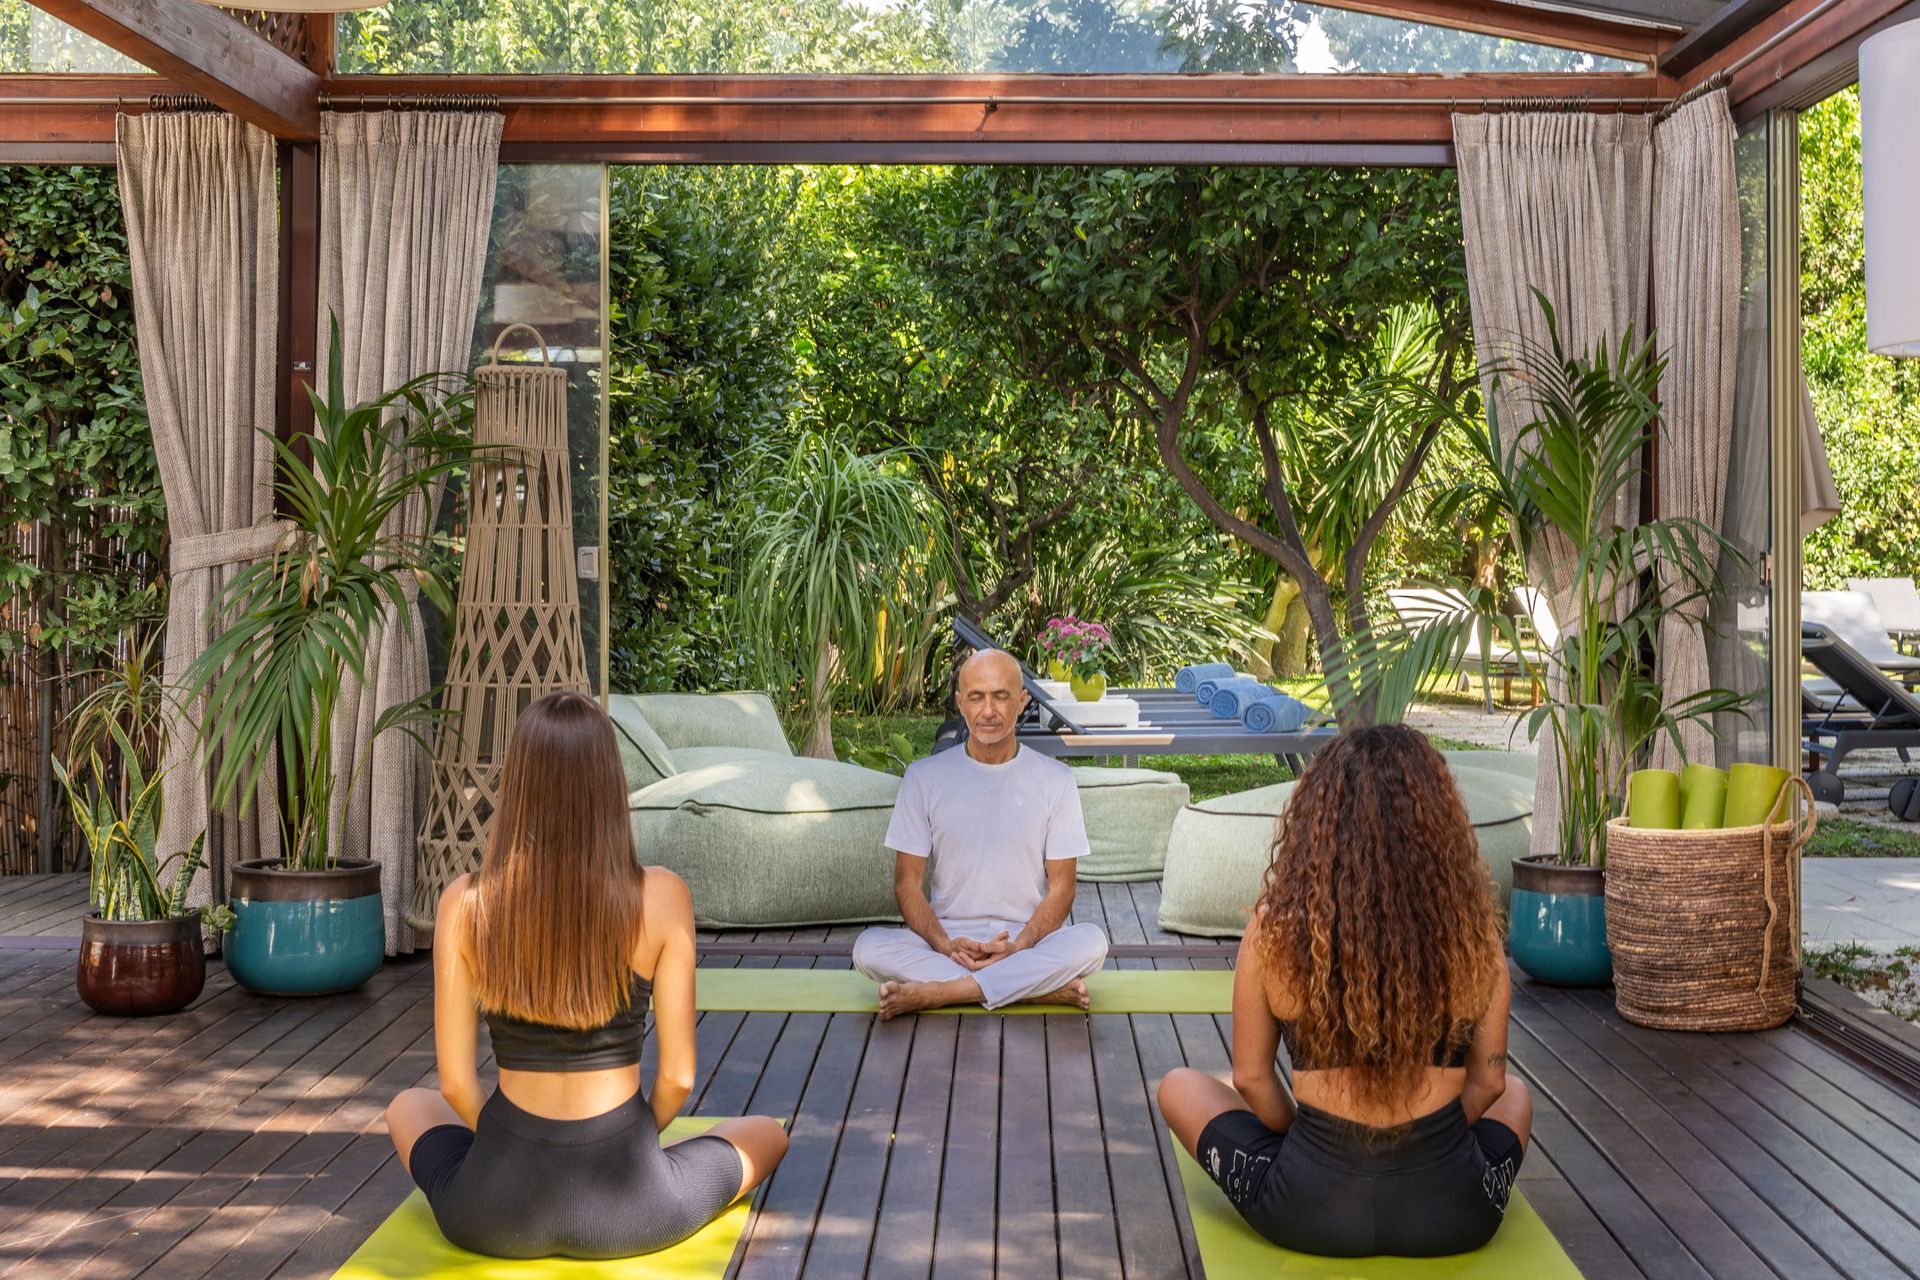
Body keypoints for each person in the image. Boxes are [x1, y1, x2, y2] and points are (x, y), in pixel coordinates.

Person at [383, 690, 787, 1259]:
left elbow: (453, 1084)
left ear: (518, 784)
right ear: (609, 783)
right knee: (768, 1132)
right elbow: (677, 1079)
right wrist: (633, 1139)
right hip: (632, 1204)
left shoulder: (464, 904)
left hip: (492, 1210)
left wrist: (510, 1142)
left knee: (407, 1105)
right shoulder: (663, 896)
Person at [1158, 725, 1532, 1258]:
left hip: (1309, 1210)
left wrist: (1300, 1143)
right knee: (1519, 1093)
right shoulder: (1474, 932)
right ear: (1437, 826)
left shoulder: (1275, 930)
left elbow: (1250, 1078)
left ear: (1316, 825)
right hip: (1455, 1214)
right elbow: (1490, 1084)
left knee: (1177, 1085)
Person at [852, 648, 1109, 1019]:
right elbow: (907, 885)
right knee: (868, 947)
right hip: (949, 941)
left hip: (1026, 941)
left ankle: (943, 992)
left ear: (1021, 702)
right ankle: (1031, 991)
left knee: (1092, 942)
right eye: (976, 697)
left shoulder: (1056, 780)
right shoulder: (924, 778)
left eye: (1001, 696)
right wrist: (944, 944)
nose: (989, 711)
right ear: (960, 703)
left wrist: (1019, 947)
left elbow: (1063, 889)